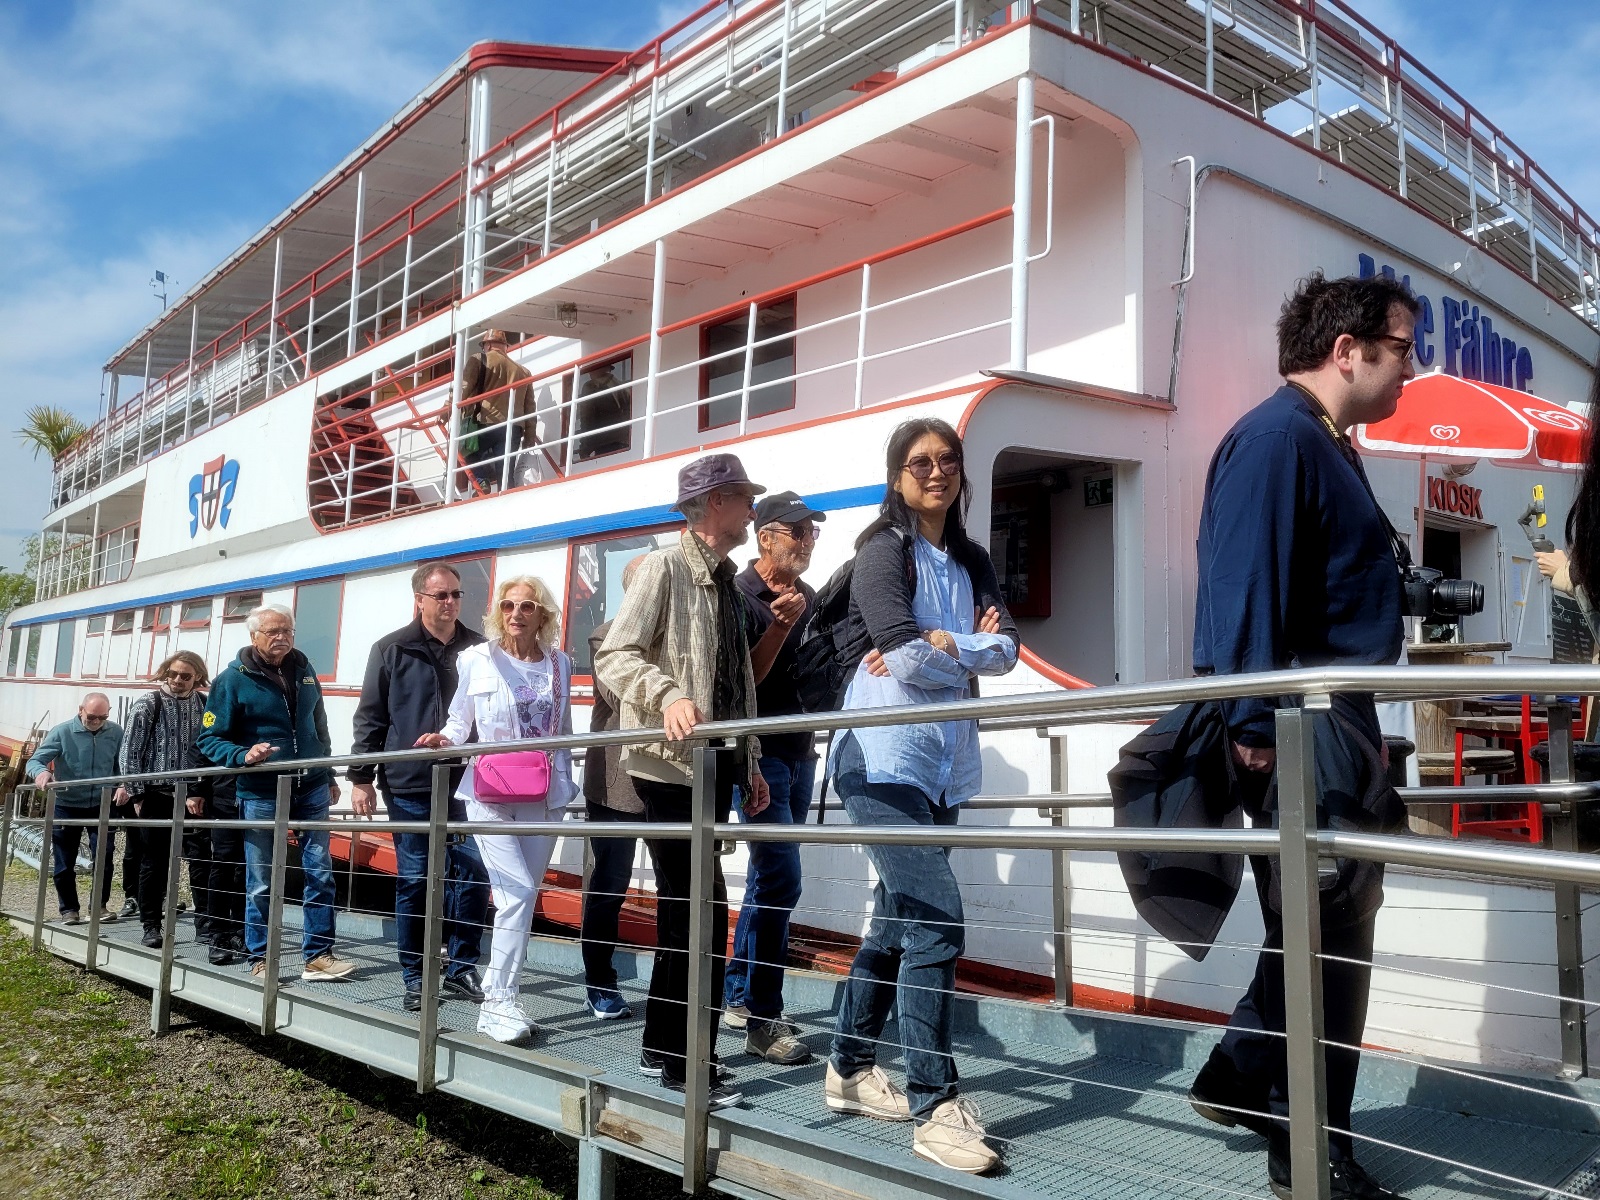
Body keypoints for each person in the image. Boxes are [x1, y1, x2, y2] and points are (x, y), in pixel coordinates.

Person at [1189, 272, 1418, 1200]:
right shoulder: (1281, 439)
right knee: (1333, 933)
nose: (1411, 369)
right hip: (1299, 725)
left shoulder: (1317, 440)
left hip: (1326, 719)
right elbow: (1244, 586)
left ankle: (1241, 1072)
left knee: (1317, 920)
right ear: (1346, 350)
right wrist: (1254, 726)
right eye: (1401, 349)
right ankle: (1313, 1156)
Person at [823, 418, 1017, 1175]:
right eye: (919, 462)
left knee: (898, 921)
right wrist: (960, 648)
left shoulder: (971, 558)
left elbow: (1009, 651)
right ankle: (935, 1106)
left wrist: (951, 645)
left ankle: (846, 1067)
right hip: (880, 758)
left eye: (947, 460)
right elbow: (901, 656)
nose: (936, 472)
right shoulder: (883, 549)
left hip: (941, 763)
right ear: (897, 476)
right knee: (936, 916)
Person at [594, 452, 773, 1110]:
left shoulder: (724, 583)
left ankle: (662, 1049)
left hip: (711, 765)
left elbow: (733, 683)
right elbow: (615, 654)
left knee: (689, 909)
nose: (752, 510)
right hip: (669, 764)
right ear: (716, 502)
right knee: (700, 910)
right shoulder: (666, 567)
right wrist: (667, 694)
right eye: (745, 498)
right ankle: (687, 1062)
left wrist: (749, 761)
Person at [415, 575, 576, 1044]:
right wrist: (444, 739)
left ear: (542, 615)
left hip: (544, 793)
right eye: (507, 605)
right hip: (490, 791)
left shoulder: (560, 664)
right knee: (516, 892)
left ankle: (503, 996)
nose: (516, 614)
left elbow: (564, 729)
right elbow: (459, 720)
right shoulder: (477, 658)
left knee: (523, 896)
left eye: (526, 606)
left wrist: (566, 787)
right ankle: (497, 1003)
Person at [349, 561, 491, 1012]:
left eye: (456, 594)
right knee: (415, 880)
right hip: (409, 782)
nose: (450, 602)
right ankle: (415, 975)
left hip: (467, 783)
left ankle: (462, 967)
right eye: (440, 595)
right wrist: (361, 778)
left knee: (473, 875)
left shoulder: (480, 649)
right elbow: (371, 716)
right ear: (419, 599)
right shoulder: (392, 649)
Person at [198, 603, 356, 983]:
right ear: (254, 636)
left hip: (311, 787)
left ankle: (318, 956)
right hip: (262, 792)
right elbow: (209, 738)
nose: (281, 637)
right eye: (273, 631)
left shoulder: (304, 670)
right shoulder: (231, 680)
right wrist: (242, 755)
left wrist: (328, 774)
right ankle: (261, 957)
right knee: (262, 880)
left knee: (320, 873)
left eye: (287, 630)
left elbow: (319, 728)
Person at [721, 491, 824, 1065]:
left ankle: (739, 992)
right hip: (760, 757)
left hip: (801, 752)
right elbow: (744, 683)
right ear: (766, 537)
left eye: (812, 532)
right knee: (782, 879)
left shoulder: (809, 596)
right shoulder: (739, 596)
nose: (808, 541)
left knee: (768, 877)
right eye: (799, 531)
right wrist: (780, 628)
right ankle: (763, 1019)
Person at [580, 553, 647, 1020]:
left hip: (670, 780)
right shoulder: (605, 635)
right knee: (610, 883)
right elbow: (623, 695)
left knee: (681, 887)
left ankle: (676, 989)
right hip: (616, 784)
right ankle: (599, 982)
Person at [114, 650, 209, 949]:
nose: (178, 680)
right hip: (156, 793)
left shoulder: (204, 704)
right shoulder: (148, 703)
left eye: (185, 675)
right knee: (154, 863)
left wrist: (204, 788)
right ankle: (151, 925)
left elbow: (209, 745)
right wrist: (137, 794)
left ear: (197, 677)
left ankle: (205, 927)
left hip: (194, 795)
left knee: (200, 861)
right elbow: (130, 751)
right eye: (173, 674)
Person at [27, 693, 123, 925]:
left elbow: (123, 764)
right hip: (67, 804)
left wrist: (123, 784)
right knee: (64, 860)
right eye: (91, 717)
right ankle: (69, 909)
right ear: (81, 710)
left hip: (102, 804)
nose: (96, 722)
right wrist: (42, 772)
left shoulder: (115, 732)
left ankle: (99, 906)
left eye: (102, 717)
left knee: (104, 856)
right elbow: (35, 761)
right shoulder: (62, 732)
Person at [458, 328, 532, 493]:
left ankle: (482, 481)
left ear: (488, 345)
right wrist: (530, 436)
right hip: (514, 427)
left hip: (486, 422)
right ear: (505, 346)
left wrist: (445, 410)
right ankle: (507, 497)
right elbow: (529, 407)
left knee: (465, 450)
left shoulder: (479, 359)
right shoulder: (523, 371)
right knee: (505, 472)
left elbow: (463, 389)